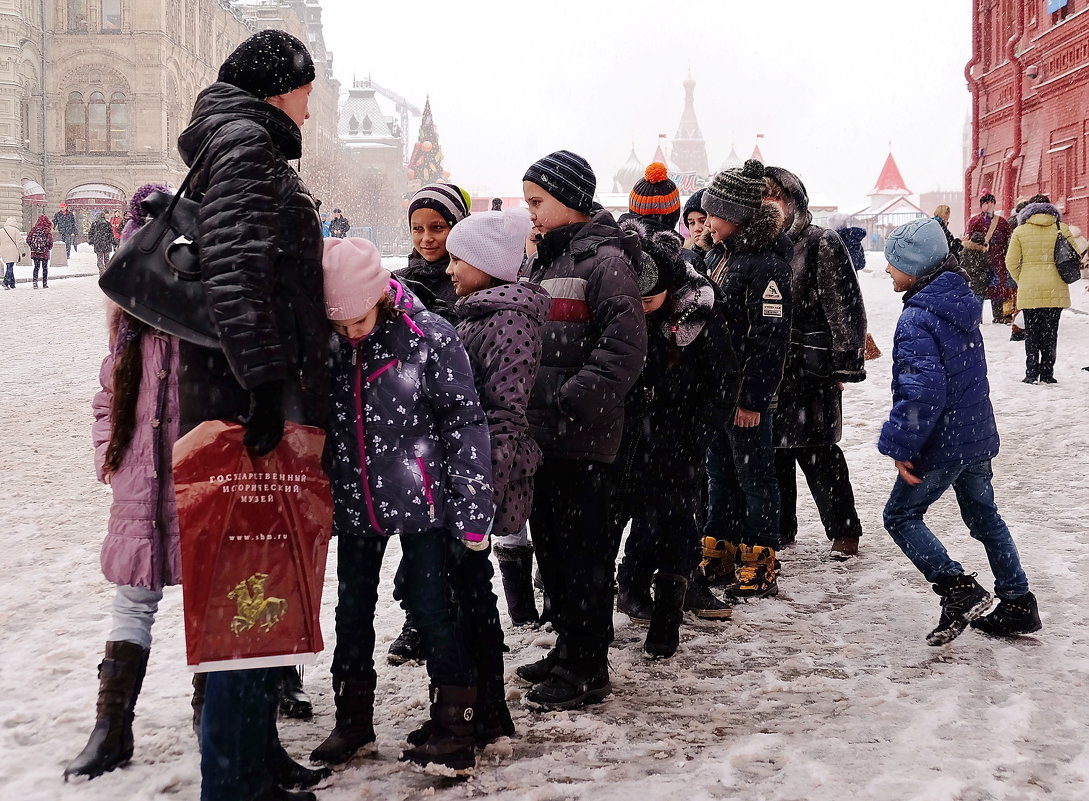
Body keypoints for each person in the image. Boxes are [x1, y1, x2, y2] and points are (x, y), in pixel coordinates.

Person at [176, 29, 332, 801]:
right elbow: (237, 274)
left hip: (241, 395)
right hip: (243, 407)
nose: (312, 100)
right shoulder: (246, 147)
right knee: (247, 590)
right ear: (279, 87)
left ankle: (257, 755)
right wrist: (268, 386)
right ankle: (232, 780)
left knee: (265, 577)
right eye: (307, 87)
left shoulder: (240, 143)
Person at [313, 237, 494, 774]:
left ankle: (455, 726)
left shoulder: (429, 338)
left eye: (359, 321)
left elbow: (465, 423)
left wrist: (472, 505)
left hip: (424, 501)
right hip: (355, 503)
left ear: (382, 297)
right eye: (340, 325)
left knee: (433, 607)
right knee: (352, 610)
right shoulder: (329, 345)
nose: (351, 333)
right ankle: (352, 720)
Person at [515, 150, 647, 710]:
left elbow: (623, 349)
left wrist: (569, 402)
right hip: (544, 435)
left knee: (584, 555)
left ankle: (587, 666)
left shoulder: (606, 263)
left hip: (585, 440)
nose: (532, 214)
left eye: (537, 202)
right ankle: (568, 647)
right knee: (552, 550)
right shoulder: (546, 260)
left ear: (569, 200)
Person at [63, 186, 180, 782]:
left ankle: (231, 719)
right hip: (140, 481)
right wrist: (109, 450)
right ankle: (112, 726)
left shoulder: (204, 322)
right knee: (134, 598)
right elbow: (108, 397)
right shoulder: (128, 333)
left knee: (219, 604)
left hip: (195, 482)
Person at [879, 217, 1040, 644]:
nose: (887, 271)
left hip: (944, 440)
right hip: (975, 434)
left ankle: (957, 589)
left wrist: (902, 443)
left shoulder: (917, 318)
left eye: (894, 264)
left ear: (914, 267)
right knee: (984, 515)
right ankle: (1018, 602)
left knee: (900, 516)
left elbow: (921, 392)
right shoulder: (958, 302)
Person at [613, 218, 740, 657]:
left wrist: (698, 432)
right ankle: (628, 588)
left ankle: (667, 620)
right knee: (631, 517)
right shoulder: (625, 307)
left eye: (651, 300)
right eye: (638, 300)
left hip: (681, 435)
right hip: (630, 437)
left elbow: (724, 379)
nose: (643, 307)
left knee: (678, 523)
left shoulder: (700, 312)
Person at [442, 206, 549, 719]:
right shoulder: (480, 315)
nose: (448, 269)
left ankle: (485, 706)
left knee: (470, 591)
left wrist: (479, 497)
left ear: (486, 264)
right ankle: (480, 704)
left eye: (457, 259)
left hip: (481, 479)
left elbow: (504, 415)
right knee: (463, 589)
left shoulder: (507, 323)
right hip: (469, 473)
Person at [700, 160, 793, 598]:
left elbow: (769, 340)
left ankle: (761, 557)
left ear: (735, 217)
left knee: (756, 479)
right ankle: (720, 549)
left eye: (713, 215)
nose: (707, 223)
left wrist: (753, 399)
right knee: (719, 475)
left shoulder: (765, 265)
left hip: (746, 399)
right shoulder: (721, 257)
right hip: (718, 394)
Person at [764, 167, 867, 559]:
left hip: (811, 366)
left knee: (818, 450)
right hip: (771, 367)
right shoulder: (759, 245)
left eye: (773, 197)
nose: (767, 206)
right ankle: (780, 527)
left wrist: (844, 365)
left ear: (792, 201)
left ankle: (844, 529)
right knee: (774, 451)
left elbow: (844, 306)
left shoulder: (820, 242)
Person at [1005, 193, 1078, 384]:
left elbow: (1011, 261)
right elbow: (1075, 254)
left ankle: (1031, 373)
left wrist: (1023, 279)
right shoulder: (1060, 228)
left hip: (1030, 289)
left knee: (1031, 332)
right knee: (1050, 332)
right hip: (1055, 290)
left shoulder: (1020, 231)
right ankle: (1047, 373)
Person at [398, 182, 471, 319]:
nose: (426, 238)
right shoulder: (398, 283)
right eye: (418, 229)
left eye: (437, 227)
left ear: (457, 228)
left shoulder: (469, 284)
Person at [963, 193, 1013, 323]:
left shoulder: (1001, 222)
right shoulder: (975, 221)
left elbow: (1008, 240)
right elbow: (968, 240)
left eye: (992, 202)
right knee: (979, 290)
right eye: (986, 203)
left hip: (998, 260)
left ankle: (999, 316)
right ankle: (977, 318)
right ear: (981, 206)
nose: (990, 205)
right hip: (980, 260)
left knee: (999, 288)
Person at [26, 214, 53, 288]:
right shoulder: (47, 230)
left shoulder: (34, 229)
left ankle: (35, 282)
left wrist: (33, 247)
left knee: (36, 267)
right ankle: (44, 283)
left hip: (35, 252)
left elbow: (28, 239)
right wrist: (48, 248)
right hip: (44, 252)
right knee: (45, 268)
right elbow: (50, 242)